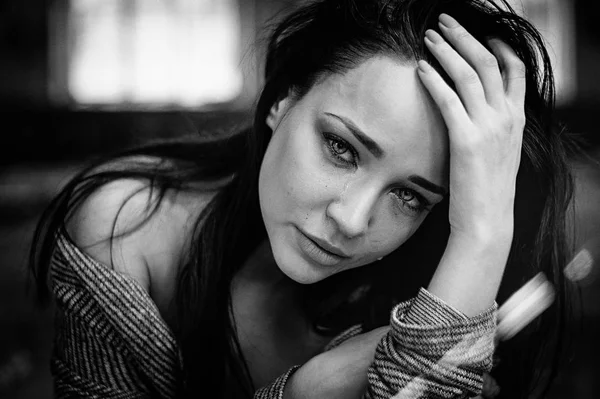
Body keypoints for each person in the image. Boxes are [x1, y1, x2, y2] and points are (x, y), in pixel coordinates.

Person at [29, 0, 576, 397]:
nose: (351, 219)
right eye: (341, 147)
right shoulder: (126, 227)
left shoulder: (441, 289)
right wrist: (311, 390)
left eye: (410, 196)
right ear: (283, 100)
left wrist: (483, 234)